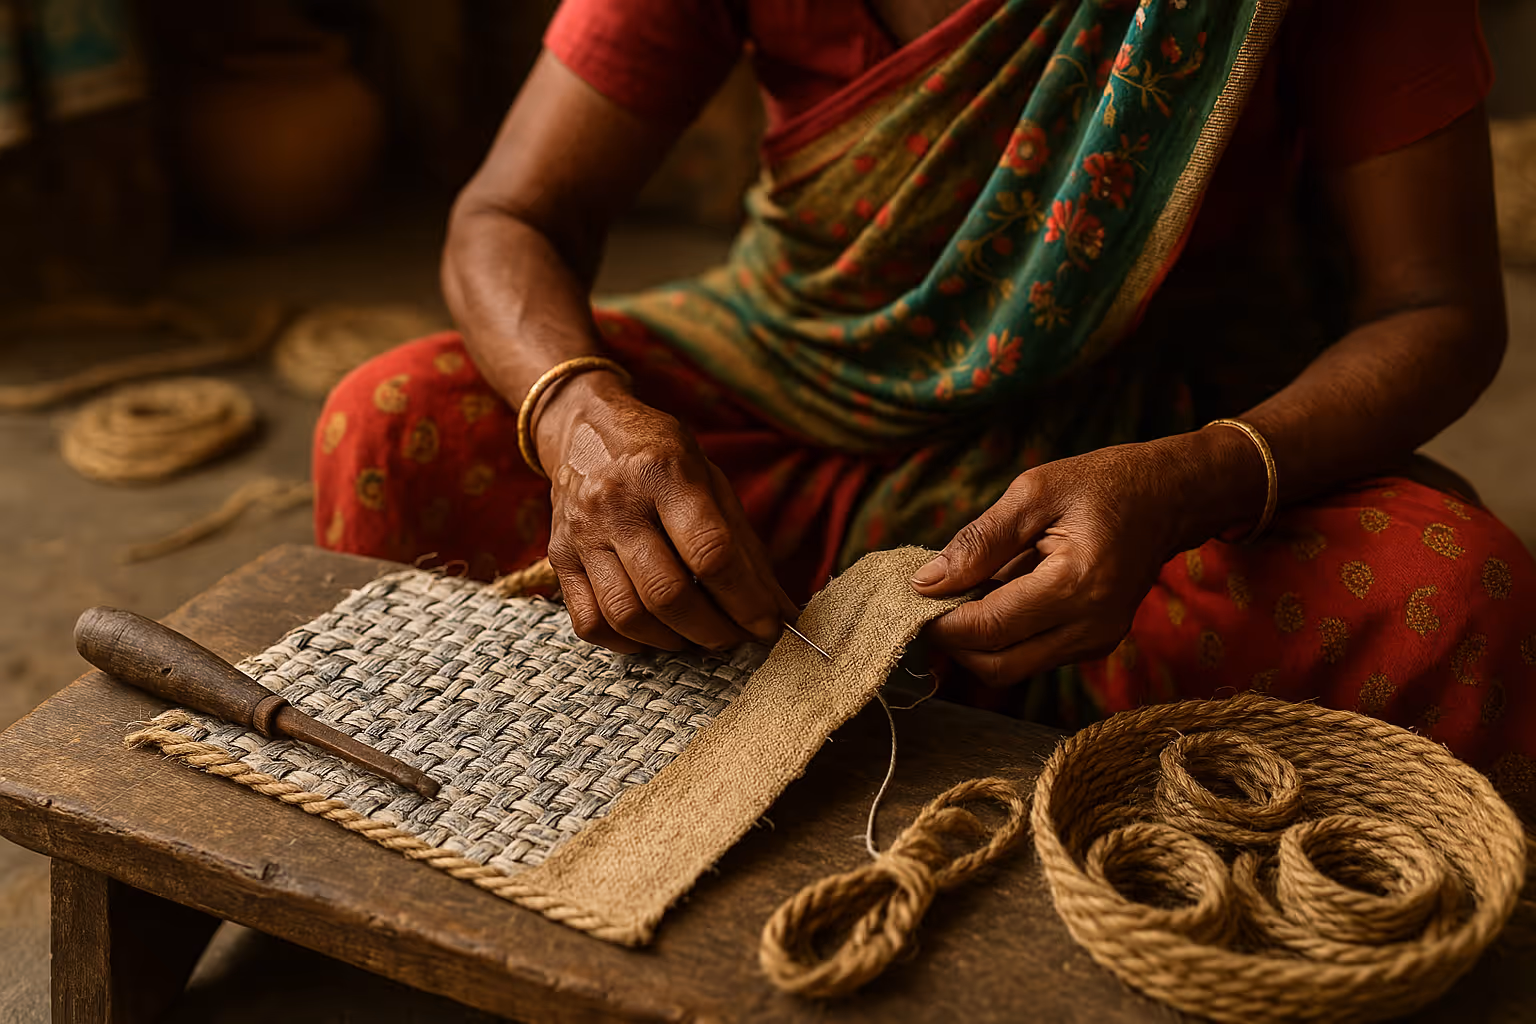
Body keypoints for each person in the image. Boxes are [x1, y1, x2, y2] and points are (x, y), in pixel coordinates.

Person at [313, 0, 1536, 807]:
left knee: (1454, 595)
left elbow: (1436, 307)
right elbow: (508, 217)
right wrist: (586, 430)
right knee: (397, 422)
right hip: (794, 406)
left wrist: (1194, 477)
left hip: (1159, 465)